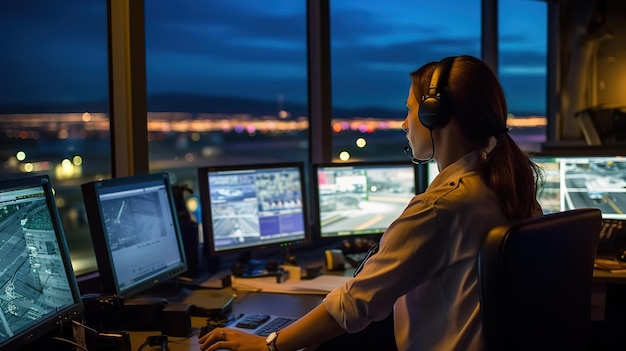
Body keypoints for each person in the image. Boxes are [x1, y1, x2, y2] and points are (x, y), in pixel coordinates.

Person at [198, 55, 544, 351]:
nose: (405, 124)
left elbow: (354, 305)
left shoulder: (441, 207)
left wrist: (268, 344)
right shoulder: (506, 187)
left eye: (411, 110)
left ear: (435, 116)